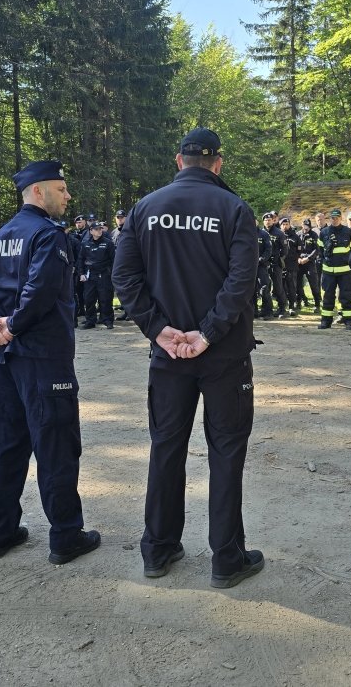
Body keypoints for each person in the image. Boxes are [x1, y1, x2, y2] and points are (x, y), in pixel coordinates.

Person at [112, 127, 265, 589]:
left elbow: (124, 277)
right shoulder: (235, 208)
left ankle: (157, 549)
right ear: (218, 163)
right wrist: (208, 333)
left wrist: (159, 330)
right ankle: (226, 558)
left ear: (179, 161)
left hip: (169, 355)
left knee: (166, 449)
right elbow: (242, 281)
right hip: (223, 355)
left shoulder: (146, 208)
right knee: (226, 452)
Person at [0, 160, 101, 563]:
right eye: (62, 189)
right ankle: (66, 536)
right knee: (57, 444)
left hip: (7, 358)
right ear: (39, 192)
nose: (68, 196)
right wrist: (11, 325)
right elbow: (41, 290)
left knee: (7, 445)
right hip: (43, 357)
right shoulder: (47, 235)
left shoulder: (0, 237)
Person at [319, 209, 351, 330]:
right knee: (328, 296)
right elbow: (320, 252)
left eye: (336, 218)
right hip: (328, 271)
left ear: (341, 218)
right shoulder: (324, 232)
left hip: (345, 271)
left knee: (346, 296)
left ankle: (348, 321)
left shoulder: (349, 232)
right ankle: (326, 321)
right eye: (332, 218)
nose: (334, 220)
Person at [79, 220, 116, 329]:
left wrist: (113, 274)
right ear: (91, 231)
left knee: (105, 298)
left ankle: (108, 320)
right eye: (96, 229)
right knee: (89, 299)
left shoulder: (108, 243)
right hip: (90, 275)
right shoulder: (85, 243)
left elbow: (114, 260)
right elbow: (81, 259)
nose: (99, 231)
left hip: (104, 274)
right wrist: (81, 273)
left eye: (100, 229)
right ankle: (90, 320)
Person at [264, 212, 288, 318]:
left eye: (270, 220)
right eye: (266, 220)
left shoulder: (279, 233)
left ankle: (282, 308)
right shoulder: (260, 233)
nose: (268, 221)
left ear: (273, 221)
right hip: (263, 263)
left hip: (275, 263)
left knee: (278, 287)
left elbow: (285, 249)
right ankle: (266, 308)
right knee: (264, 287)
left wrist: (279, 259)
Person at [296, 219, 321, 314]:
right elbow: (294, 248)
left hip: (309, 262)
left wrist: (308, 258)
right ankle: (298, 302)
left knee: (314, 284)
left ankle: (317, 304)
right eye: (304, 225)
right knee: (297, 283)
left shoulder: (314, 235)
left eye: (307, 226)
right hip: (299, 262)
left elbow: (317, 250)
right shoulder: (298, 234)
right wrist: (298, 258)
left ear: (310, 226)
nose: (305, 228)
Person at [279, 217, 301, 313]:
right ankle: (282, 306)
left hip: (292, 265)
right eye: (283, 224)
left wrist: (294, 258)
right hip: (280, 265)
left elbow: (300, 250)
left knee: (291, 286)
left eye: (287, 224)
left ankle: (292, 306)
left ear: (289, 224)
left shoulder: (295, 237)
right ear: (280, 225)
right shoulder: (278, 235)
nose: (285, 226)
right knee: (280, 287)